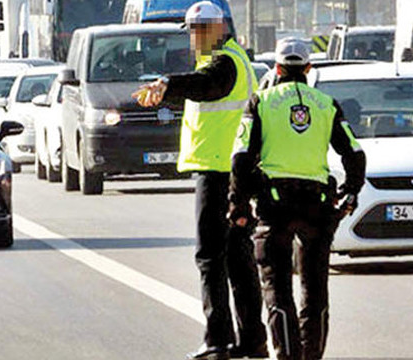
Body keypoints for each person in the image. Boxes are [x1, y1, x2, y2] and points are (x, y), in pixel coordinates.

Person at [133, 2, 267, 359]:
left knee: (210, 257)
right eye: (192, 31)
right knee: (237, 259)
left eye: (198, 30)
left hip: (219, 171)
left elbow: (208, 86)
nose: (193, 38)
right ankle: (252, 340)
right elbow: (206, 89)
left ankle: (218, 339)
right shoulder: (230, 59)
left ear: (218, 28)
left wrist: (168, 84)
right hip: (233, 172)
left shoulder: (224, 63)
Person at [228, 38, 366, 360]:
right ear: (308, 68)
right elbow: (354, 153)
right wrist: (351, 191)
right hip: (317, 205)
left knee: (277, 288)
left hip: (274, 206)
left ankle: (287, 355)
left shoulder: (260, 102)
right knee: (315, 290)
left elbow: (240, 158)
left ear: (276, 68)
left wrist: (239, 203)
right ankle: (312, 355)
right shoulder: (326, 104)